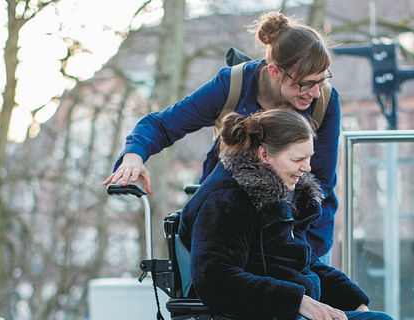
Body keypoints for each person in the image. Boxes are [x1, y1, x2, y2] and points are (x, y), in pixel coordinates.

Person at [178, 109, 414, 320]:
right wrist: (298, 301)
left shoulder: (276, 193)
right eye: (297, 160)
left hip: (283, 317)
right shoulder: (226, 199)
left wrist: (353, 301)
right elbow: (215, 279)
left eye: (309, 158)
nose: (306, 168)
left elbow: (300, 262)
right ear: (264, 154)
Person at [103, 11, 341, 261]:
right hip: (228, 226)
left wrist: (306, 253)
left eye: (321, 80)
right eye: (305, 84)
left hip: (295, 230)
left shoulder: (324, 101)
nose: (314, 92)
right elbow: (162, 124)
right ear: (274, 71)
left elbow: (322, 181)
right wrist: (133, 156)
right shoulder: (232, 86)